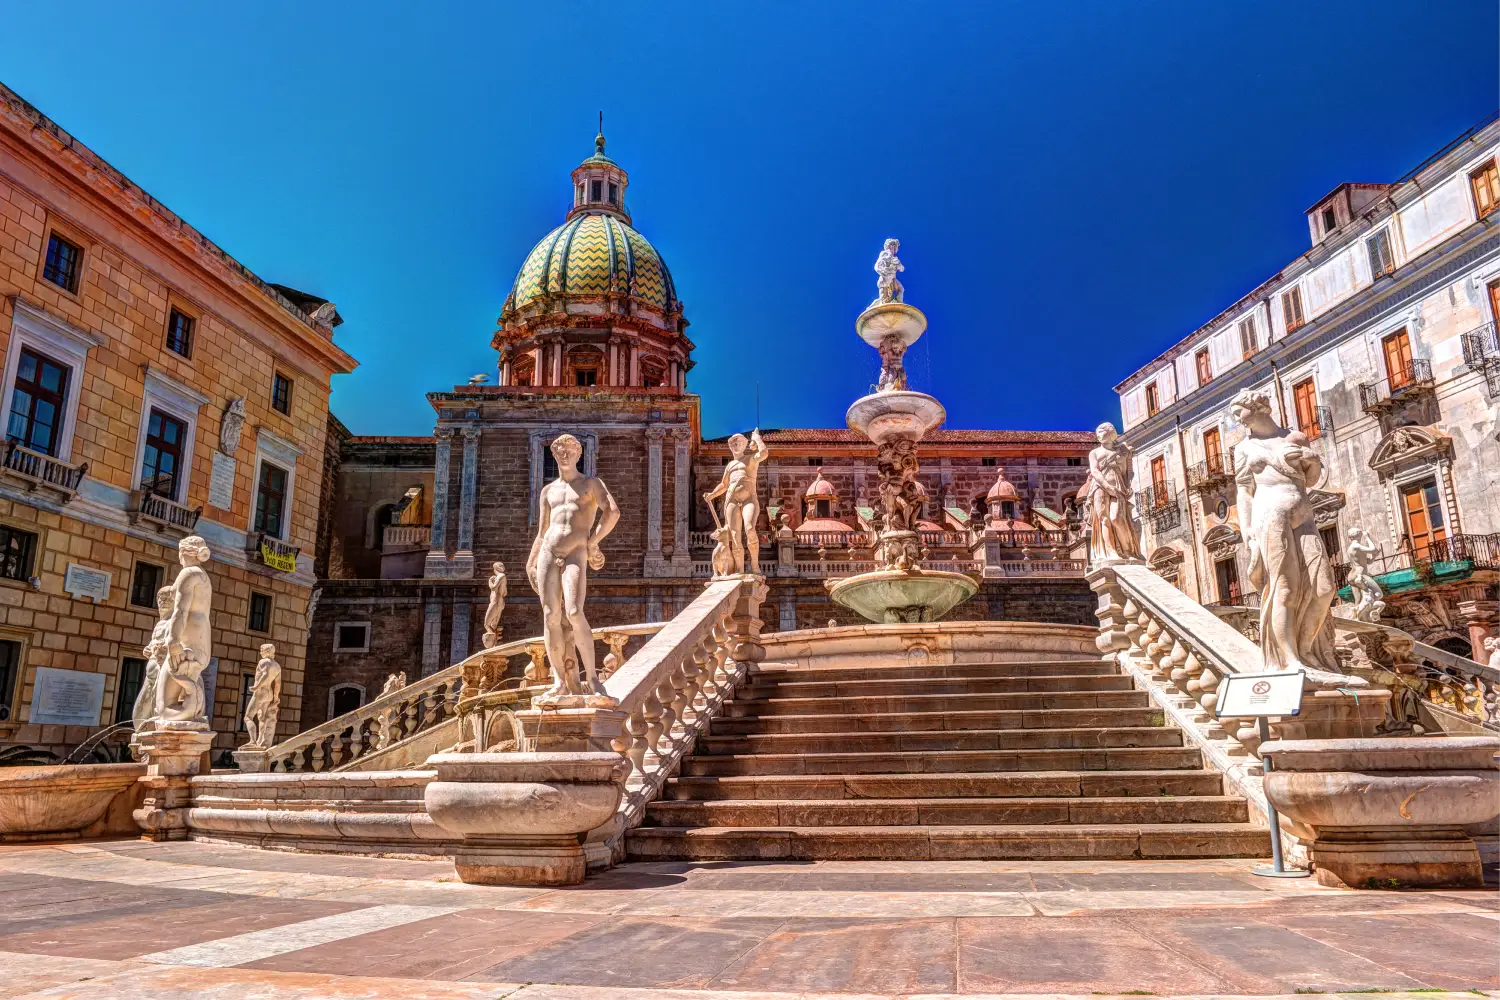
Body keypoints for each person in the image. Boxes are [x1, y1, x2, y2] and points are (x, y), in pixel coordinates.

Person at [1231, 391, 1341, 677]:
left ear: (1256, 408)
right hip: (1270, 513)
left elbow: (1312, 479)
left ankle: (1307, 651)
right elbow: (1244, 492)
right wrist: (1248, 532)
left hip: (1303, 512)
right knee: (1284, 588)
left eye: (1238, 411)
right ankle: (1290, 659)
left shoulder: (1295, 438)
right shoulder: (1243, 449)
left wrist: (1313, 460)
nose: (1236, 419)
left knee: (1324, 587)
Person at [526, 434, 619, 701]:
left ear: (579, 454)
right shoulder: (548, 491)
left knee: (575, 611)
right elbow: (542, 531)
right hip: (547, 552)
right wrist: (530, 561)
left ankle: (592, 678)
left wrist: (593, 543)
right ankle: (559, 682)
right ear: (554, 455)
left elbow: (612, 512)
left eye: (570, 450)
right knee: (550, 615)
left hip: (576, 552)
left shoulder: (591, 484)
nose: (564, 454)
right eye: (559, 451)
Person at [154, 535, 214, 727]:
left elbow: (181, 610)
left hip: (185, 645)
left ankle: (175, 745)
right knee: (182, 704)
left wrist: (172, 641)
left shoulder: (188, 573)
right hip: (201, 644)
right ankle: (193, 718)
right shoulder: (204, 577)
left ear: (182, 552)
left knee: (164, 708)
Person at [702, 428, 769, 576]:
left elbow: (764, 453)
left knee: (750, 527)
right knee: (734, 535)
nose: (736, 444)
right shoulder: (730, 466)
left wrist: (757, 438)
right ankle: (739, 570)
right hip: (731, 499)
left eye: (739, 442)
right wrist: (712, 494)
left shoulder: (751, 459)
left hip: (749, 498)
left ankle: (755, 565)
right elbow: (724, 485)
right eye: (733, 442)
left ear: (745, 444)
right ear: (730, 446)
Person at [1081, 422, 1142, 566]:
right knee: (1104, 519)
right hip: (1099, 487)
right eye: (1097, 431)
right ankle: (1111, 552)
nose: (1098, 434)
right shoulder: (1094, 453)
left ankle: (1128, 551)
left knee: (1117, 518)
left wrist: (1127, 486)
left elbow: (1129, 472)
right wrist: (1107, 486)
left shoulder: (1123, 451)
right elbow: (1095, 471)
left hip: (1118, 487)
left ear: (1111, 432)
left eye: (1101, 430)